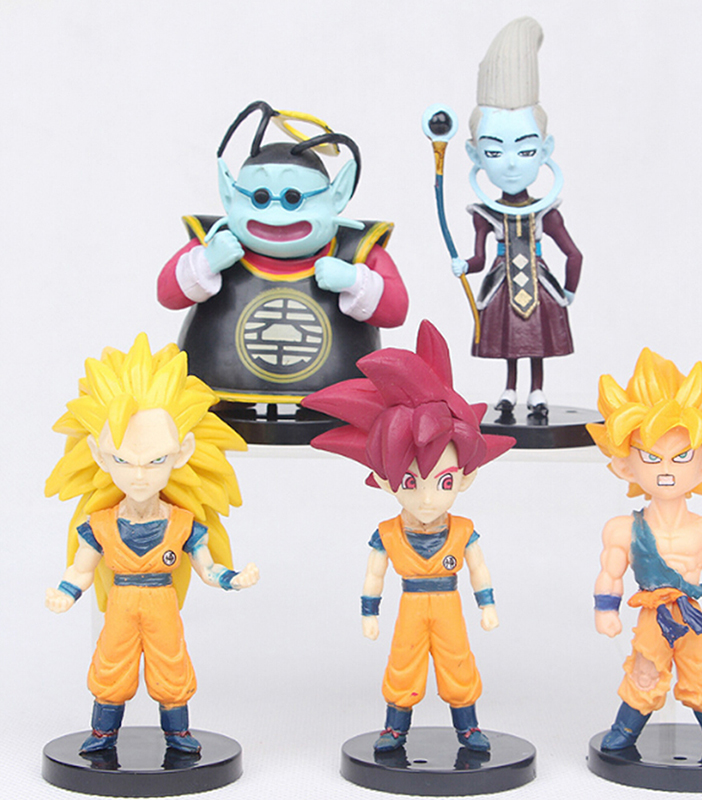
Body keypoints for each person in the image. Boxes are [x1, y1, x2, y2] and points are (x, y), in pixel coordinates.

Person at [303, 321, 514, 751]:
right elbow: (374, 575)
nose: (428, 499)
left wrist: (487, 604)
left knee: (458, 662)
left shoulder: (462, 531)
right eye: (410, 482)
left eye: (444, 482)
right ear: (386, 482)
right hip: (411, 606)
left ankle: (468, 727)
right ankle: (395, 727)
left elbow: (479, 569)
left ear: (465, 478)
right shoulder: (387, 534)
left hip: (449, 604)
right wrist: (369, 612)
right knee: (403, 663)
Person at [45, 333, 259, 754]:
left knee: (171, 666)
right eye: (123, 460)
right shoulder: (100, 524)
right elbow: (82, 568)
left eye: (155, 460)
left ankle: (177, 734)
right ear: (99, 455)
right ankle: (103, 734)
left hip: (162, 603)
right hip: (122, 602)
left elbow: (207, 568)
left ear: (182, 452)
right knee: (111, 667)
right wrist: (66, 593)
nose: (139, 476)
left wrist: (232, 579)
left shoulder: (182, 523)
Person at [158, 101, 407, 405]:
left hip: (335, 403)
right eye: (260, 198)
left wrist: (354, 281)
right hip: (218, 396)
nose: (276, 215)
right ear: (229, 194)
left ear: (338, 195)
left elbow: (396, 310)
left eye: (293, 199)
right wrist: (207, 263)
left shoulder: (357, 251)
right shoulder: (212, 244)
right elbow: (167, 293)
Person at [587, 348, 702, 751]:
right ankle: (626, 730)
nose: (666, 470)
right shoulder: (624, 529)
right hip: (652, 616)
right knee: (645, 671)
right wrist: (605, 611)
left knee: (700, 671)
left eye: (681, 456)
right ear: (625, 464)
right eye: (651, 457)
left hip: (691, 616)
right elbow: (610, 574)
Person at [453, 18, 582, 417]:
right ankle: (509, 388)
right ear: (475, 155)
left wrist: (568, 291)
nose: (510, 164)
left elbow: (574, 254)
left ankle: (536, 389)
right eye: (494, 152)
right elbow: (479, 258)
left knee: (536, 339)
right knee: (511, 339)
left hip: (538, 282)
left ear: (546, 150)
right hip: (501, 282)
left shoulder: (546, 212)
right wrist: (464, 265)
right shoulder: (485, 214)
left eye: (525, 151)